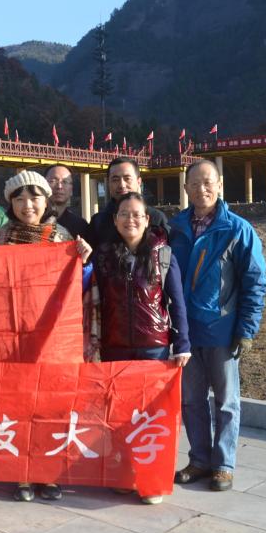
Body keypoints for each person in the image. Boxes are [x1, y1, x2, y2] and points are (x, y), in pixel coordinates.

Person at [0, 170, 92, 503]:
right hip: (14, 333)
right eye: (19, 199)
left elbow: (81, 284)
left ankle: (49, 471)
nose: (27, 205)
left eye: (34, 197)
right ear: (10, 204)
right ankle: (21, 470)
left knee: (52, 404)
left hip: (52, 333)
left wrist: (84, 262)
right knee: (18, 403)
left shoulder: (62, 237)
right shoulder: (2, 237)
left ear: (46, 200)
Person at [169, 160, 266, 492]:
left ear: (220, 185)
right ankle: (199, 460)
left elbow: (255, 282)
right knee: (191, 400)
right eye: (195, 184)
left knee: (226, 402)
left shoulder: (237, 229)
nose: (202, 189)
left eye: (208, 182)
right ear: (185, 188)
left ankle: (223, 464)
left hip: (222, 330)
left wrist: (246, 329)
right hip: (185, 333)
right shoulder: (175, 228)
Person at [90, 192, 191, 504]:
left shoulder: (162, 254)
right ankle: (124, 474)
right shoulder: (104, 256)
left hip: (154, 347)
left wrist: (182, 342)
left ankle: (152, 481)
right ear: (114, 219)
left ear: (147, 220)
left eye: (137, 214)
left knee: (153, 417)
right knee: (119, 414)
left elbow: (176, 301)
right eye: (124, 214)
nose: (130, 220)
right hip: (115, 346)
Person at [87, 157, 168, 248]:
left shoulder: (157, 218)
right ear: (108, 183)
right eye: (115, 180)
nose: (122, 185)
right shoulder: (98, 222)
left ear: (139, 182)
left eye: (127, 178)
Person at [44, 165, 89, 240]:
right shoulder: (33, 221)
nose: (59, 186)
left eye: (65, 182)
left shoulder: (81, 226)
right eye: (53, 181)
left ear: (71, 190)